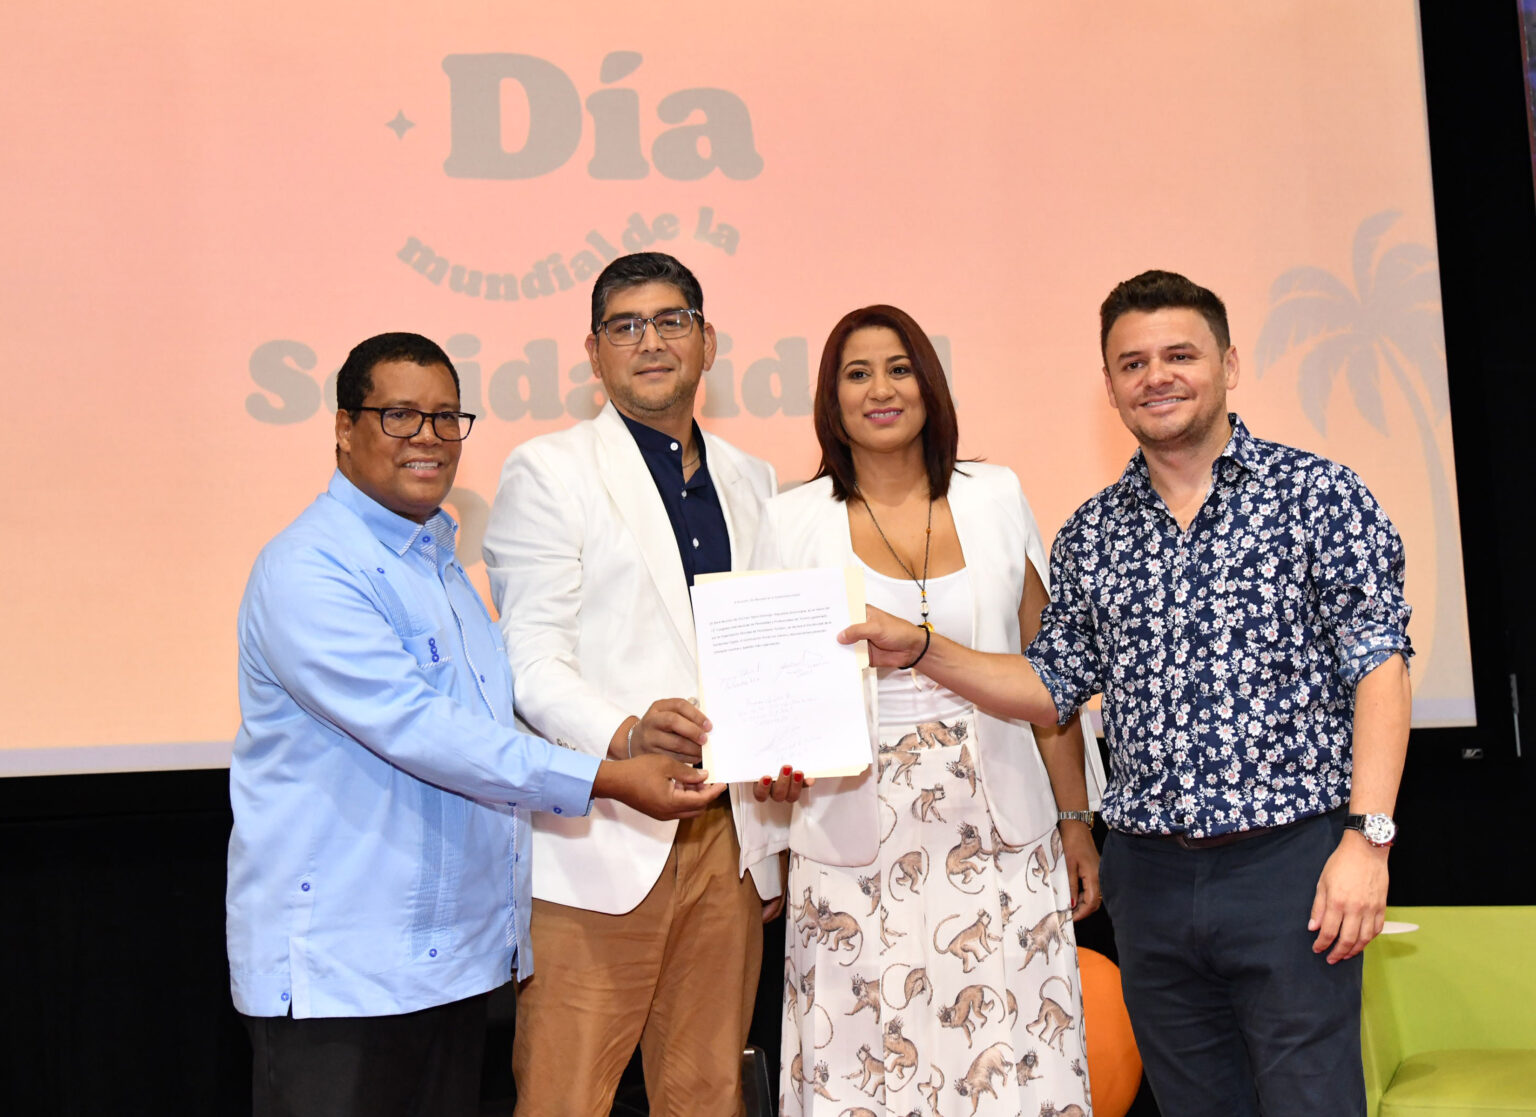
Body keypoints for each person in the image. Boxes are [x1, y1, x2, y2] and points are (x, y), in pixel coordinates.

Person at [845, 271, 1413, 1116]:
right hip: (1149, 880)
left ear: (1228, 363)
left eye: (1180, 355)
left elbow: (1381, 667)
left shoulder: (1318, 496)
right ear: (1109, 385)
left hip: (1291, 866)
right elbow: (1048, 686)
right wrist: (925, 648)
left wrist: (1368, 840)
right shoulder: (1092, 532)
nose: (1157, 377)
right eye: (1133, 362)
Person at [226, 331, 721, 1117]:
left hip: (448, 969)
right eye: (398, 415)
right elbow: (423, 731)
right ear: (344, 427)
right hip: (344, 975)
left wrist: (639, 735)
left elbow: (493, 722)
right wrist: (609, 775)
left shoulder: (443, 568)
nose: (427, 436)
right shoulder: (310, 567)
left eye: (445, 417)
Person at [743, 305, 1106, 1116]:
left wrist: (1077, 818)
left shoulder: (995, 494)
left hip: (1002, 827)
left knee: (1012, 1056)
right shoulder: (791, 518)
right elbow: (771, 690)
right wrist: (769, 805)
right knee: (864, 1064)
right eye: (857, 373)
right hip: (850, 836)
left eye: (899, 369)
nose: (881, 389)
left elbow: (1047, 674)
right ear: (831, 398)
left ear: (929, 384)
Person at [482, 253, 779, 1116]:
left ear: (707, 341)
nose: (651, 342)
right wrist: (626, 735)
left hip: (728, 839)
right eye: (626, 326)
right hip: (600, 839)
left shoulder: (755, 480)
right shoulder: (549, 470)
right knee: (565, 1098)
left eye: (671, 321)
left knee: (708, 1095)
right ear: (594, 351)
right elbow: (529, 659)